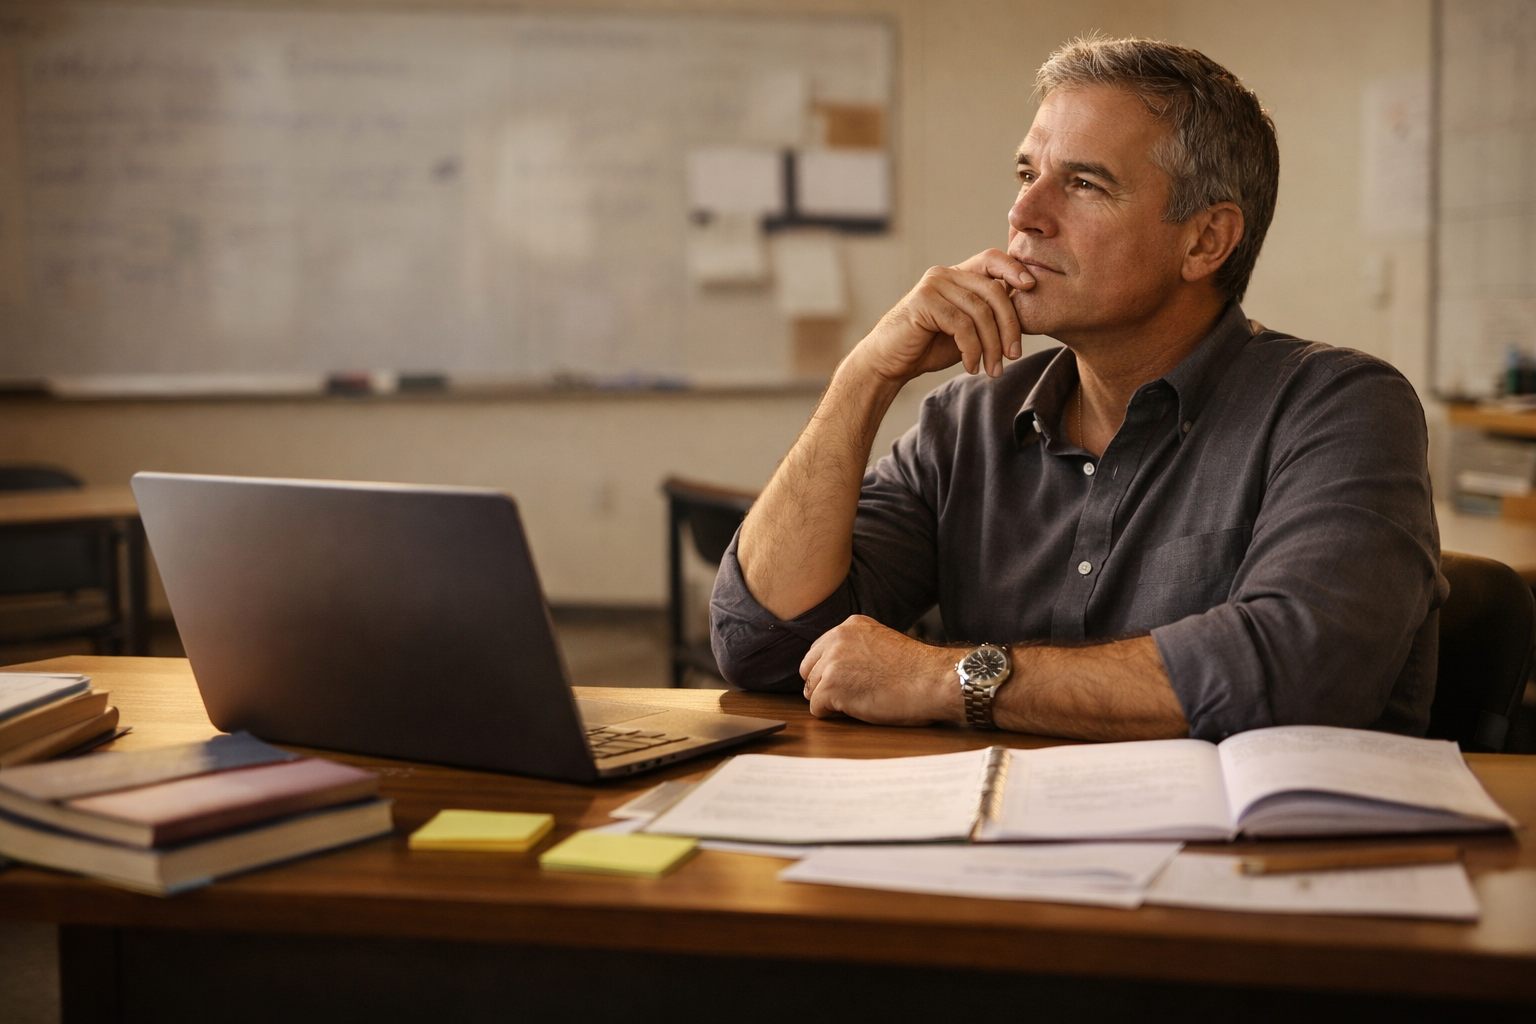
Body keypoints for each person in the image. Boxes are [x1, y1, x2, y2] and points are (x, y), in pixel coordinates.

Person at [709, 36, 1445, 742]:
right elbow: (764, 642)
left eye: (1085, 183)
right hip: (1003, 846)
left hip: (1252, 860)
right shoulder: (968, 421)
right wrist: (866, 375)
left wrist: (950, 679)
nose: (1023, 215)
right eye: (1028, 175)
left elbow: (1300, 670)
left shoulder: (1340, 407)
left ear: (1205, 241)